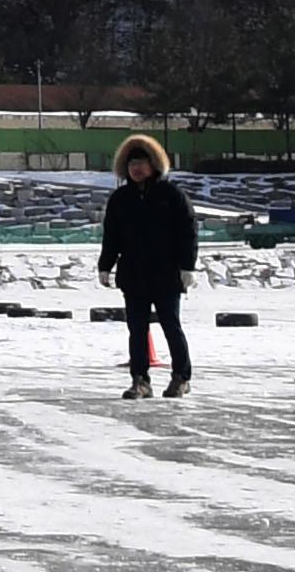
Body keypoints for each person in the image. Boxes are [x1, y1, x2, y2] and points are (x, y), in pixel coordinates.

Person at [96, 133, 198, 399]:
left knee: (171, 325)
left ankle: (181, 376)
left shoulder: (171, 195)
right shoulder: (120, 199)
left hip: (166, 274)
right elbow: (112, 236)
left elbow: (188, 231)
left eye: (141, 163)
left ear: (153, 165)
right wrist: (105, 266)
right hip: (133, 275)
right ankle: (140, 380)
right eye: (132, 164)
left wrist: (188, 266)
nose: (136, 168)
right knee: (137, 330)